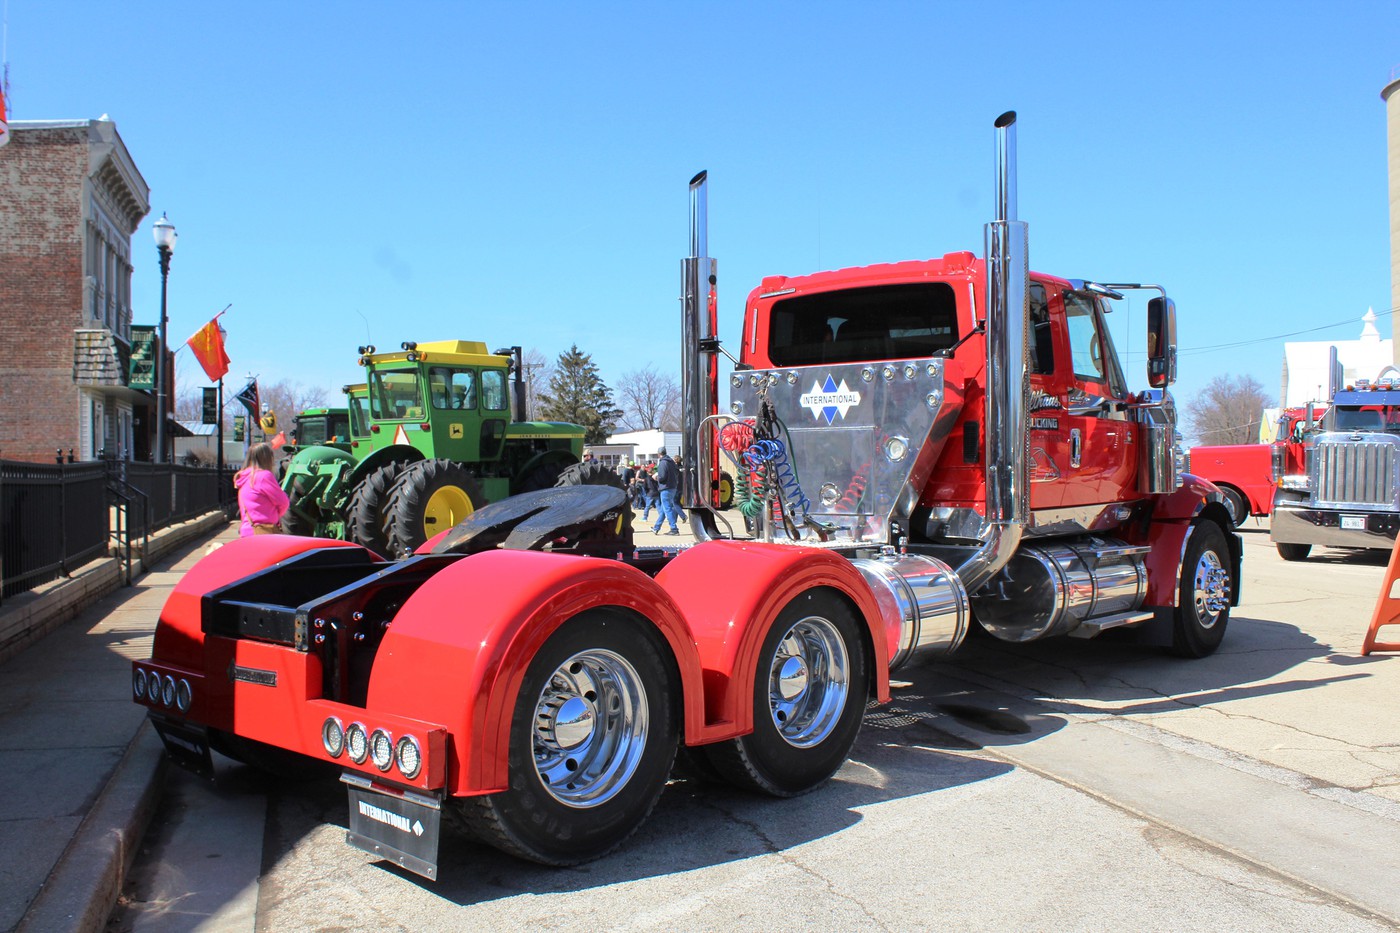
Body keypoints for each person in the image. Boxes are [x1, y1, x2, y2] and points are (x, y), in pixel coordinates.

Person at [235, 442, 290, 537]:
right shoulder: (264, 476)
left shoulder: (244, 478)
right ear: (267, 458)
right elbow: (283, 503)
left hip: (247, 530)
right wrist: (276, 515)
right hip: (264, 532)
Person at [652, 447, 681, 536]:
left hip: (665, 488)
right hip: (673, 487)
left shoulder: (663, 462)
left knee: (667, 508)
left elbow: (663, 477)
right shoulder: (671, 462)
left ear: (659, 454)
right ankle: (656, 527)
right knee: (665, 509)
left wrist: (656, 477)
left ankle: (674, 528)